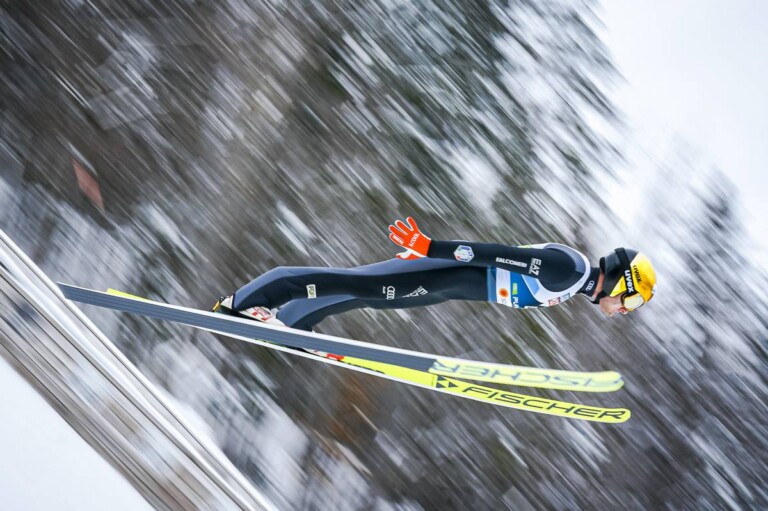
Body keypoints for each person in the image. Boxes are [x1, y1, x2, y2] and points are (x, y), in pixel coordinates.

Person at [212, 217, 657, 330]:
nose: (623, 311)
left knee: (362, 292)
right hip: (444, 271)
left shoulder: (575, 280)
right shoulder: (569, 270)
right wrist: (430, 248)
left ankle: (294, 322)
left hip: (447, 284)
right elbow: (496, 254)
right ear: (623, 281)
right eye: (631, 301)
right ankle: (244, 304)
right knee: (350, 282)